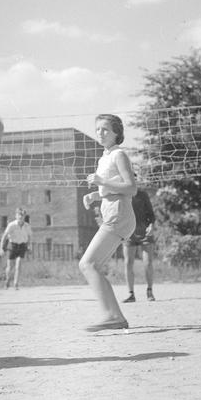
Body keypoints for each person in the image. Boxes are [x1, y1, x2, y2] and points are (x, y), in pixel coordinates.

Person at [80, 114, 137, 331]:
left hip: (119, 215)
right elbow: (113, 186)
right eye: (97, 130)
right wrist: (96, 195)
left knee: (87, 264)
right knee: (91, 265)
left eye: (106, 129)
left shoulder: (119, 155)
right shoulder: (104, 157)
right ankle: (115, 317)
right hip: (112, 213)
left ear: (117, 133)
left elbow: (131, 188)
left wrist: (101, 181)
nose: (100, 133)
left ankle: (112, 316)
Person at [121, 186, 157, 303]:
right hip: (129, 232)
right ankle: (131, 294)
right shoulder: (122, 194)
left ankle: (149, 291)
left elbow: (151, 214)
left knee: (148, 262)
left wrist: (151, 226)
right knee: (128, 262)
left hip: (144, 232)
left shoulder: (142, 194)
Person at [0, 207, 32, 289]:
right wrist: (1, 248)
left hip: (22, 246)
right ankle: (7, 280)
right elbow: (4, 236)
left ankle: (16, 283)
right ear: (16, 215)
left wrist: (29, 247)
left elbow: (29, 237)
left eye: (22, 215)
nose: (21, 217)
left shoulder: (27, 226)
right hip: (13, 245)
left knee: (18, 265)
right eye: (19, 215)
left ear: (25, 216)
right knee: (10, 266)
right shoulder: (11, 225)